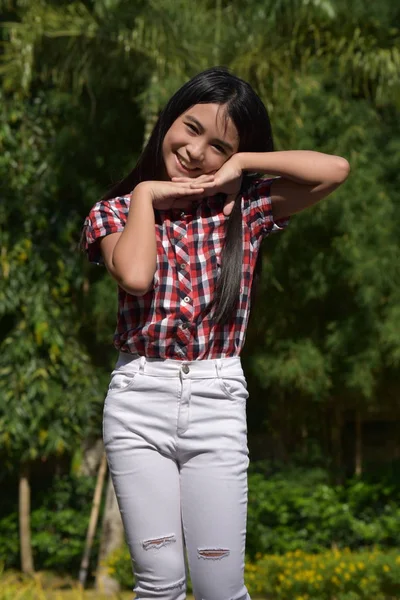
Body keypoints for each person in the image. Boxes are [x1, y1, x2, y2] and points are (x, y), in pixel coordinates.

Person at [82, 67, 349, 600]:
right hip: (138, 401)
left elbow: (334, 171)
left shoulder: (242, 213)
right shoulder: (114, 212)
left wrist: (245, 165)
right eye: (190, 127)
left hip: (216, 399)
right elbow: (135, 276)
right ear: (167, 122)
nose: (196, 150)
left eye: (219, 145)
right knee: (159, 586)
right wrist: (145, 198)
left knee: (220, 586)